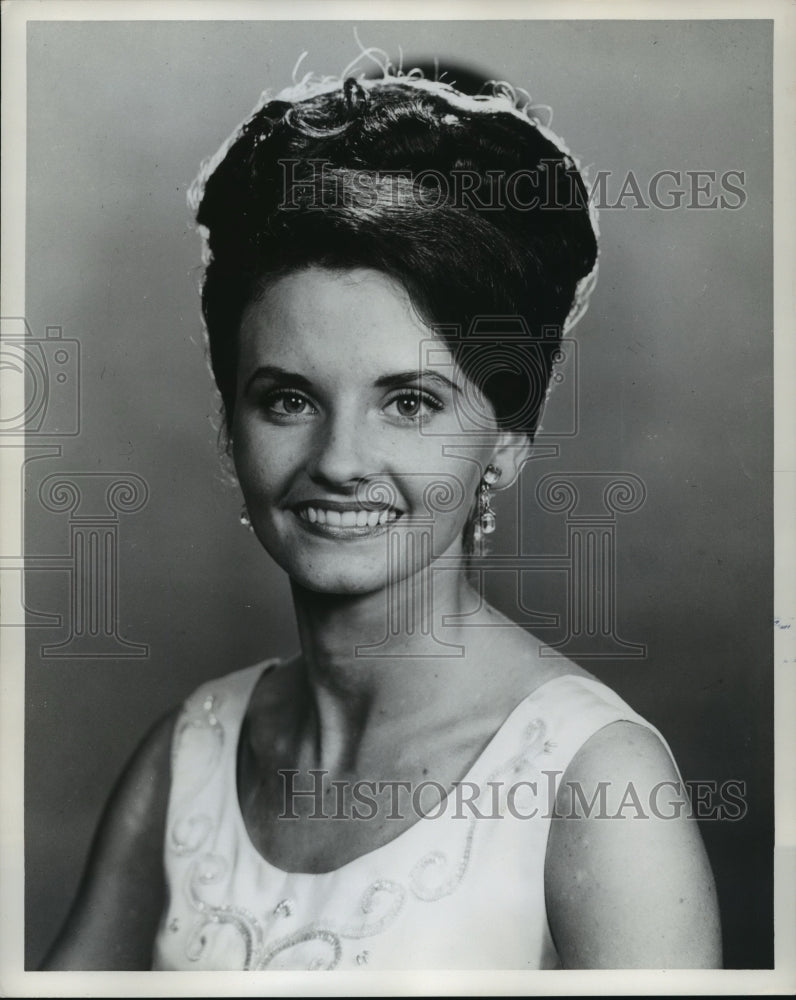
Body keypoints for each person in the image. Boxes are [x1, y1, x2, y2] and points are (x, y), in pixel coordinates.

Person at [42, 65, 722, 972]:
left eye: (409, 403)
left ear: (509, 442)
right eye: (287, 399)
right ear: (228, 424)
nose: (340, 461)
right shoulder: (188, 757)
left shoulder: (594, 785)